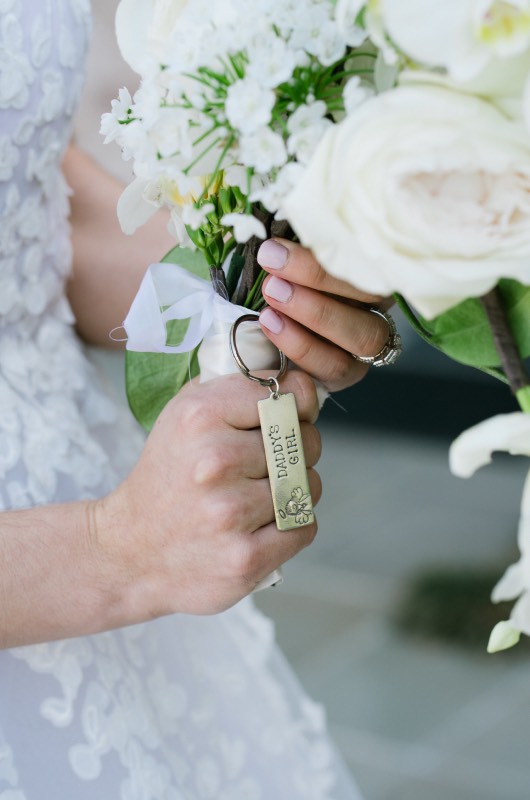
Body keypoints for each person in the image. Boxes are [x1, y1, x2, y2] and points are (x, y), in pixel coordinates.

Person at [0, 2, 390, 797]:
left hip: (98, 522)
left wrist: (262, 282)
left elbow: (35, 220)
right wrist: (114, 549)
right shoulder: (119, 545)